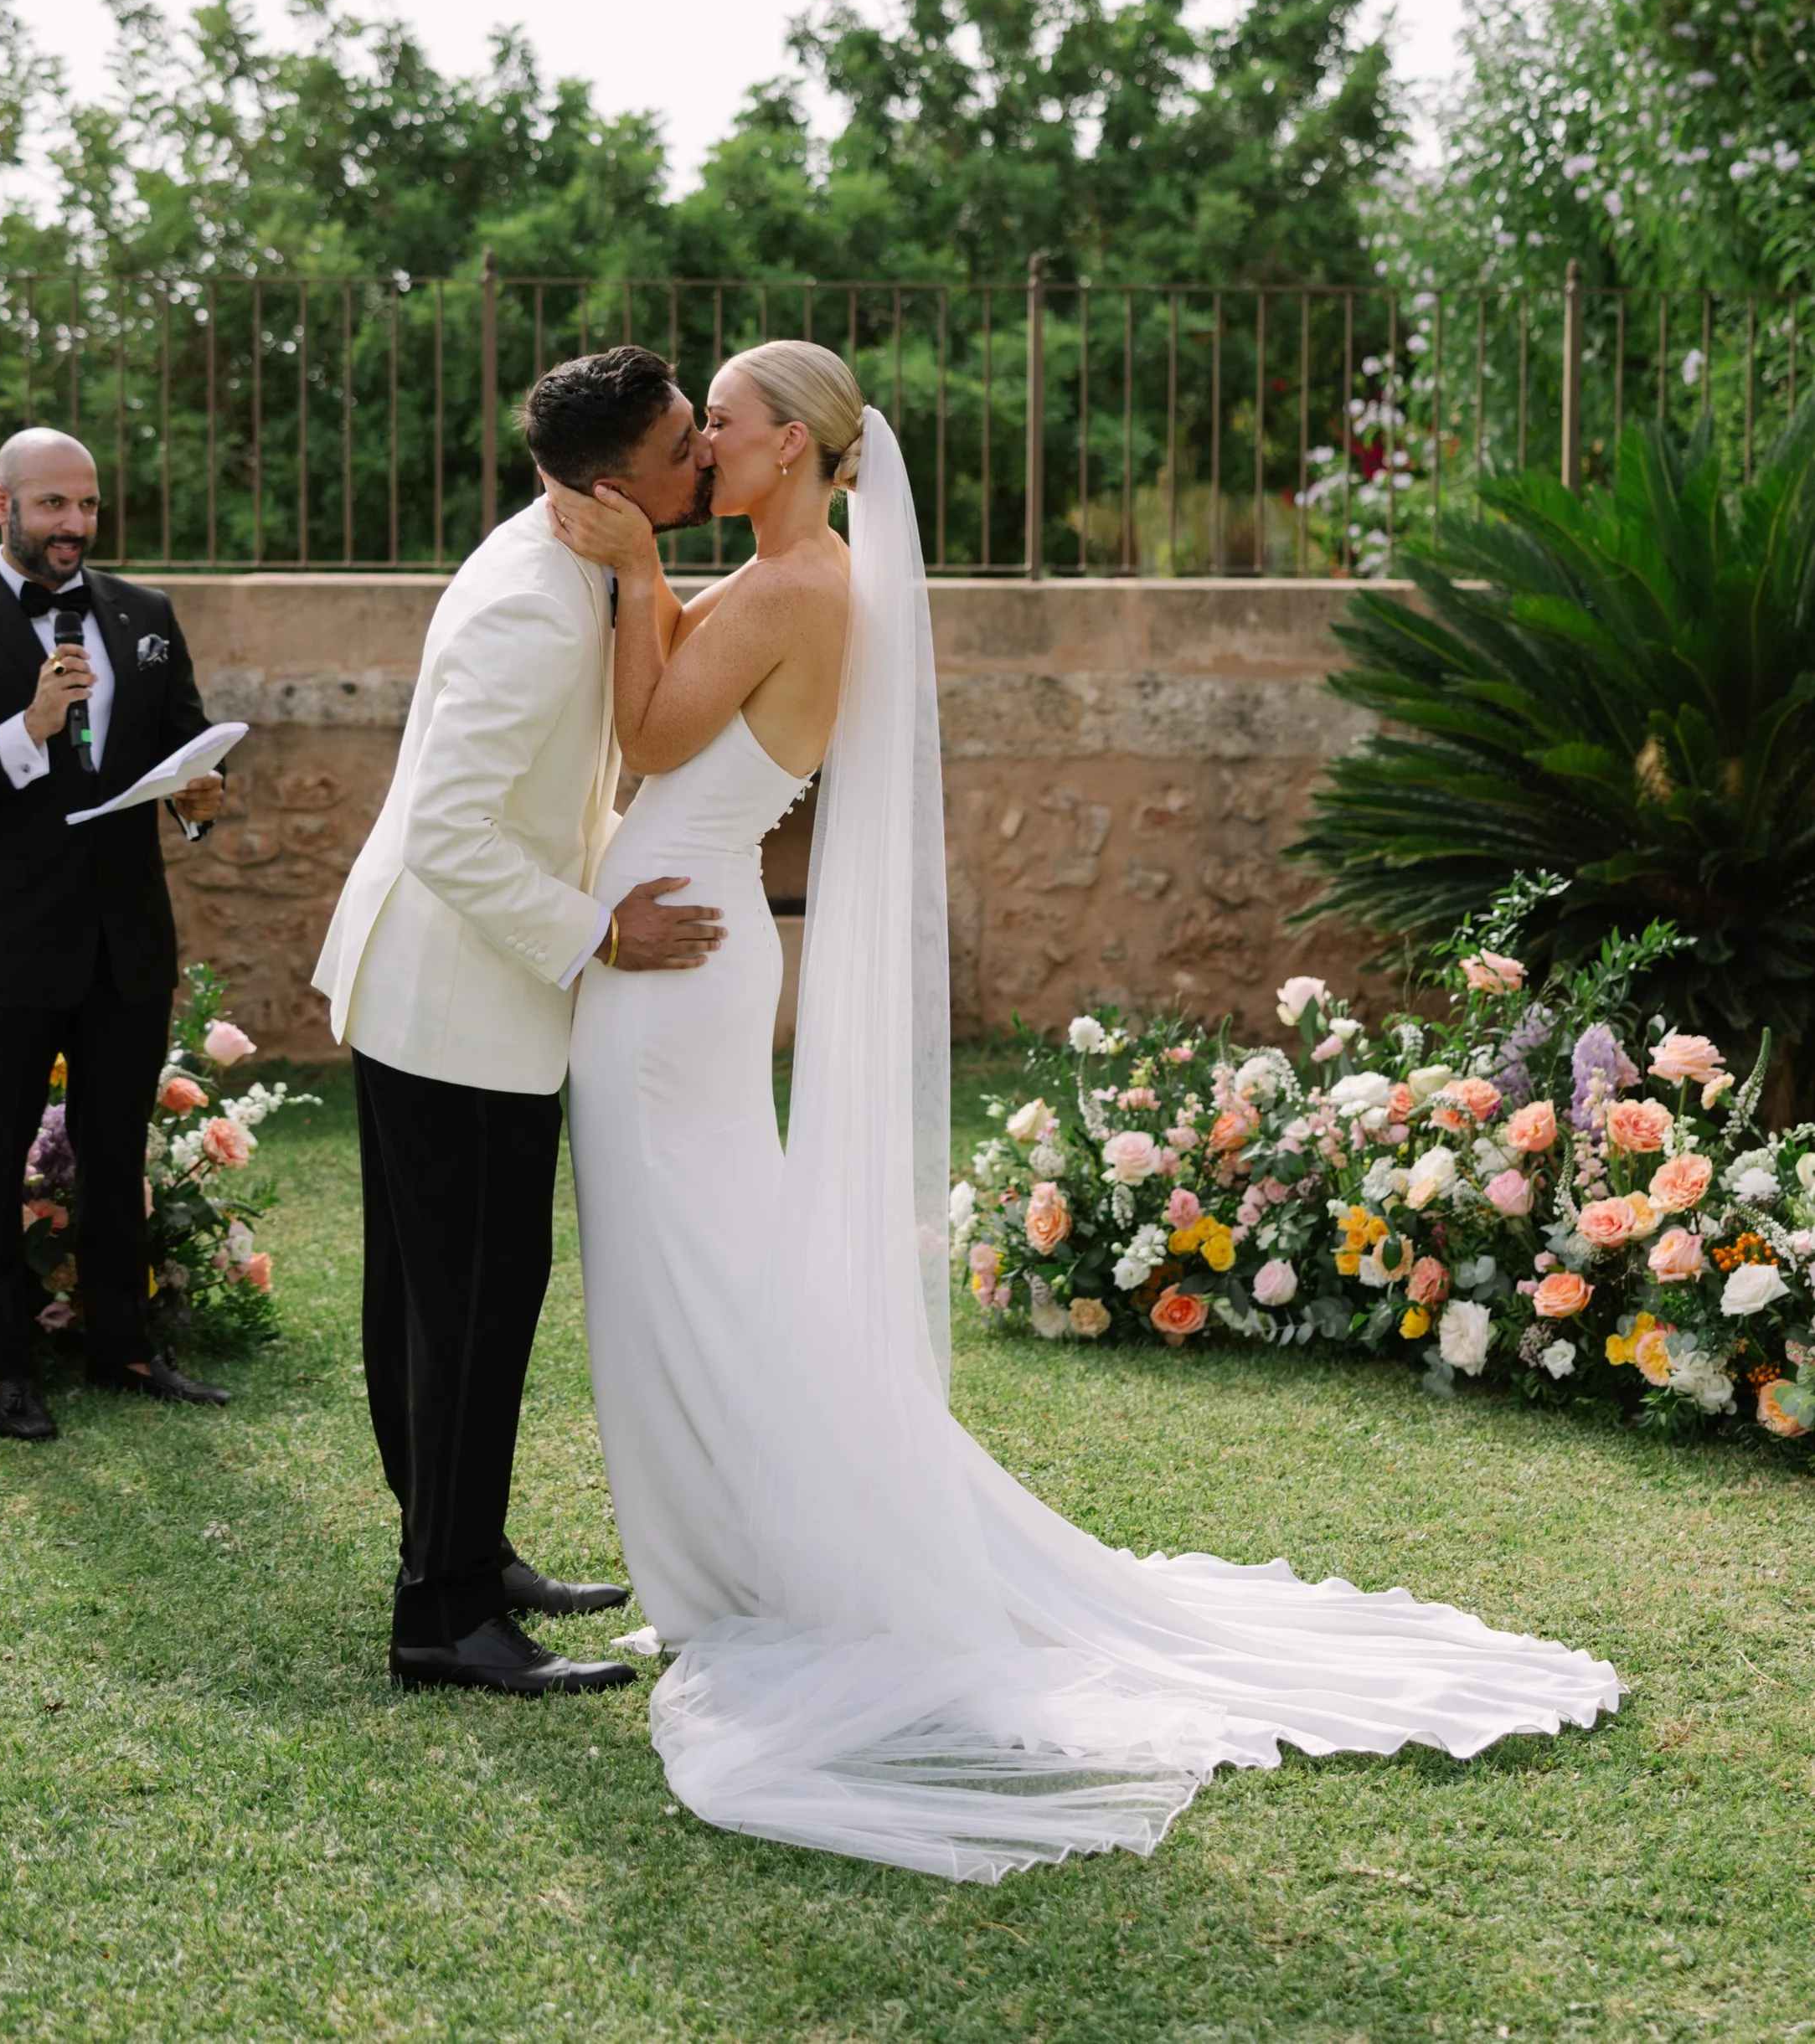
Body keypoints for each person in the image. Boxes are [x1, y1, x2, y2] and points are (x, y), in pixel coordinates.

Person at [549, 341, 1621, 1883]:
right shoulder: (791, 568)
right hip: (681, 956)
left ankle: (742, 1574)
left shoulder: (798, 586)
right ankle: (733, 1560)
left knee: (693, 1274)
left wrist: (636, 557)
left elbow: (652, 738)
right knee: (700, 1274)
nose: (698, 447)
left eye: (717, 424)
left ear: (789, 443)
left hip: (678, 973)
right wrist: (645, 574)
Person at [312, 345, 728, 1698]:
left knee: (471, 1300)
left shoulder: (587, 557)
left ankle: (468, 1556)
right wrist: (601, 931)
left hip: (463, 996)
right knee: (464, 1308)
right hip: (449, 1004)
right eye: (685, 446)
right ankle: (438, 1616)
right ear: (614, 484)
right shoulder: (536, 605)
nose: (705, 456)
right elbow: (448, 829)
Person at [0, 427, 230, 1444]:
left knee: (115, 1151)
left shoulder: (147, 614)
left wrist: (201, 800)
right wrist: (25, 731)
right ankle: (6, 1369)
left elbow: (182, 745)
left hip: (126, 937)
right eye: (51, 506)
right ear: (3, 507)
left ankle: (123, 1345)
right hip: (10, 940)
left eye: (85, 506)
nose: (74, 525)